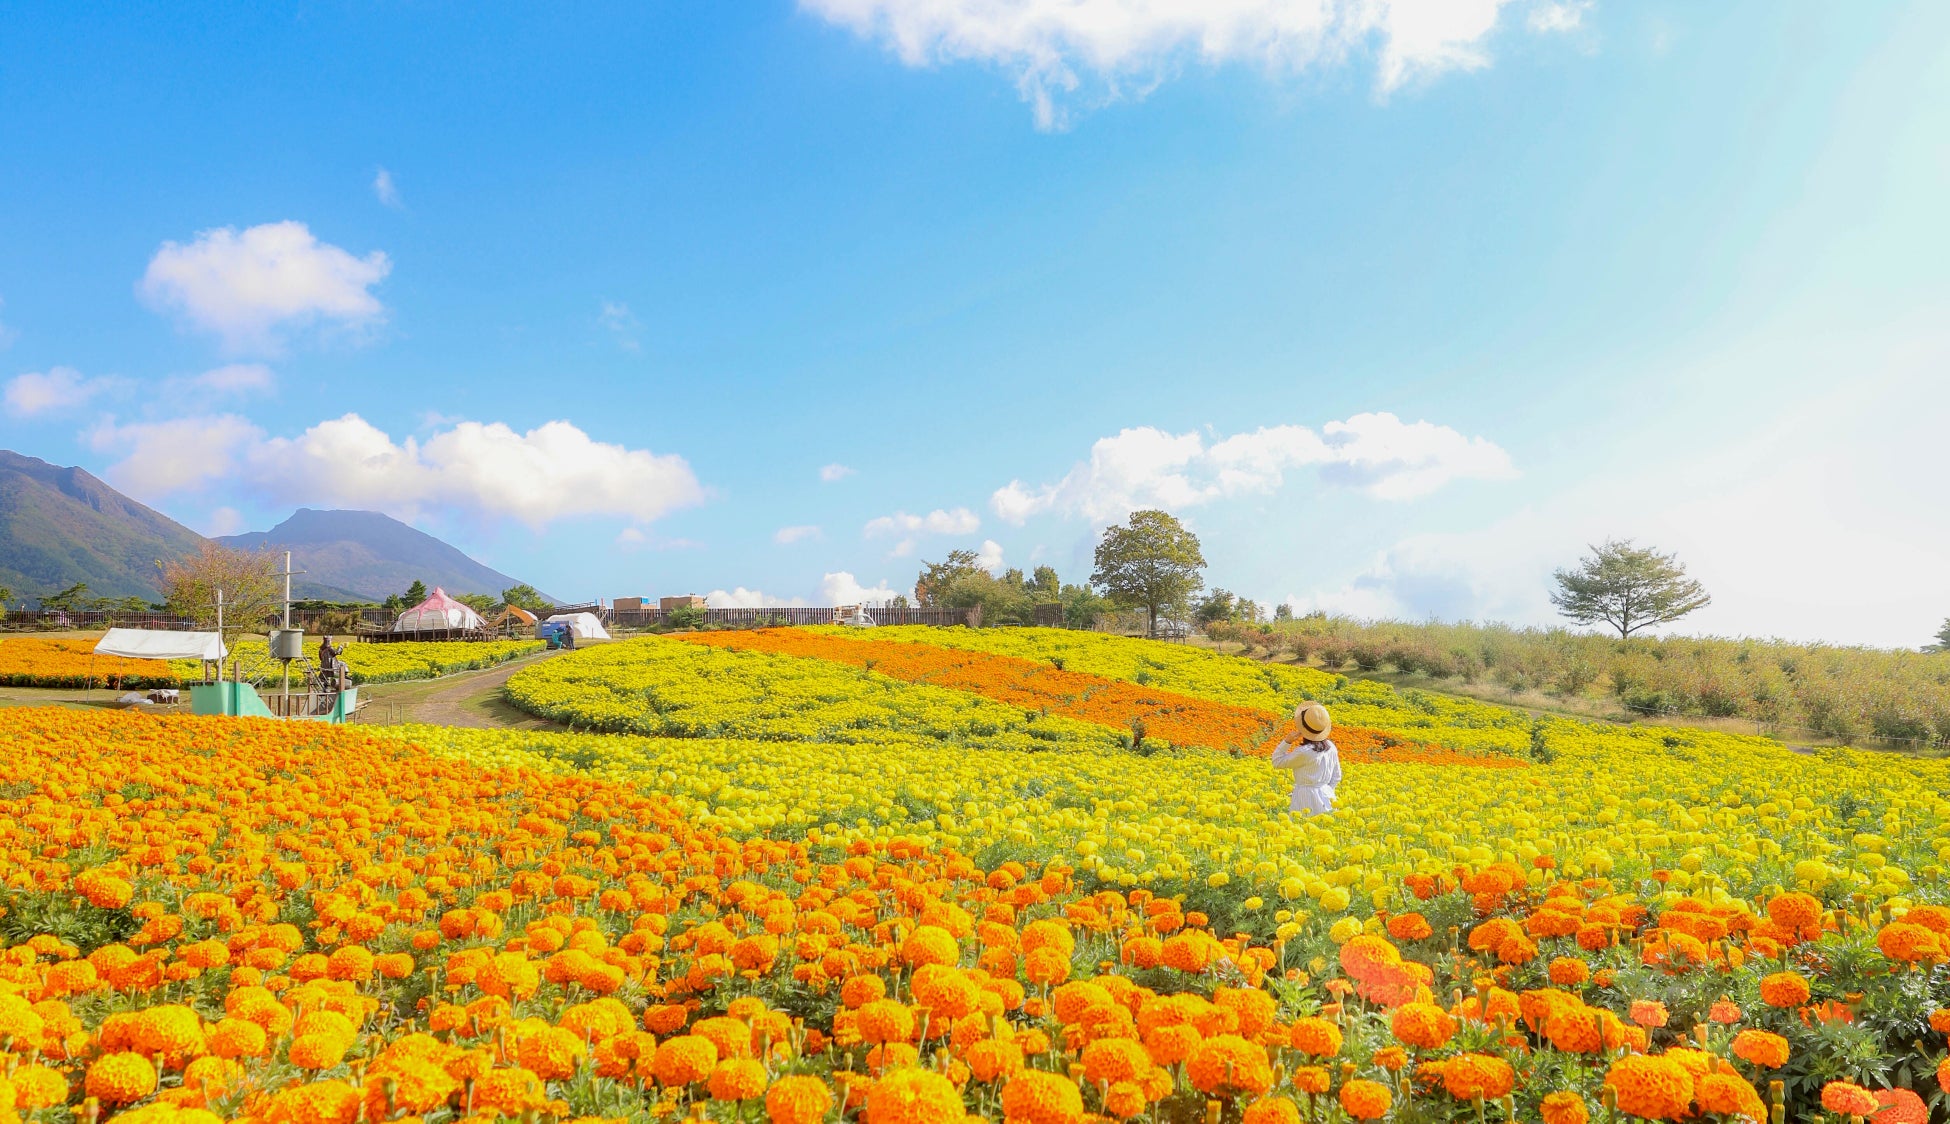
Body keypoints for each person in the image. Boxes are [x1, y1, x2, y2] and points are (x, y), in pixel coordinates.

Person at [1270, 701, 1341, 815]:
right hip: (1327, 797)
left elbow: (1277, 762)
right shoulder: (1331, 746)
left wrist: (1287, 741)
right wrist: (1326, 791)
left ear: (1302, 728)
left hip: (1305, 798)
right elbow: (1337, 776)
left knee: (1303, 827)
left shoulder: (1305, 752)